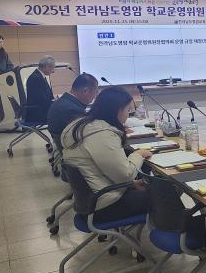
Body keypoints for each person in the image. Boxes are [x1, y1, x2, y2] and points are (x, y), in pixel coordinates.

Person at [61, 86, 152, 223]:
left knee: (155, 189)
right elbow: (125, 174)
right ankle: (174, 233)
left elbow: (97, 171)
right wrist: (138, 154)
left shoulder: (80, 125)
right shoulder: (102, 135)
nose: (127, 116)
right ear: (117, 110)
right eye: (128, 110)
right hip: (104, 206)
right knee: (167, 194)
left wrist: (131, 184)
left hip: (92, 200)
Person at [47, 73, 99, 151]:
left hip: (63, 142)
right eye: (96, 92)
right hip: (72, 150)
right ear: (86, 91)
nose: (96, 96)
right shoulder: (72, 110)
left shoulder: (64, 101)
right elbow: (89, 133)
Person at [24, 56, 56, 124]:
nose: (53, 71)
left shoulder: (38, 76)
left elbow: (45, 97)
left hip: (40, 110)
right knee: (63, 115)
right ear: (47, 67)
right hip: (37, 114)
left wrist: (55, 101)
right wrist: (56, 103)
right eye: (52, 68)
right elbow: (42, 100)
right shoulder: (36, 78)